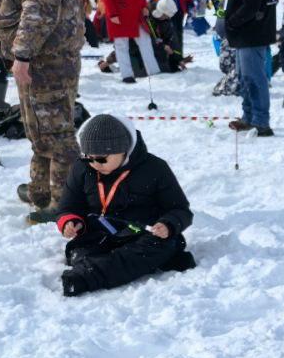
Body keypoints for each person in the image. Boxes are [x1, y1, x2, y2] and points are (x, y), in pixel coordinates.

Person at [0, 0, 85, 222]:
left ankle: (65, 200)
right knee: (39, 131)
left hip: (47, 62)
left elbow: (38, 10)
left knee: (55, 133)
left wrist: (22, 55)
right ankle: (42, 190)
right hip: (40, 61)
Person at [54, 114, 195, 297]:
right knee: (78, 252)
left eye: (102, 159)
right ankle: (146, 264)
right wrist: (69, 222)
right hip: (99, 235)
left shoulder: (155, 168)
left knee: (159, 245)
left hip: (141, 235)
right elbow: (67, 207)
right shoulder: (81, 169)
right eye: (89, 158)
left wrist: (168, 225)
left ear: (124, 150)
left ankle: (87, 277)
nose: (95, 164)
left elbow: (180, 210)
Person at [221, 0, 278, 135]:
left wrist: (233, 22)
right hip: (246, 34)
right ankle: (248, 117)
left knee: (254, 78)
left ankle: (261, 121)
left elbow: (251, 5)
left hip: (251, 33)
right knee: (246, 78)